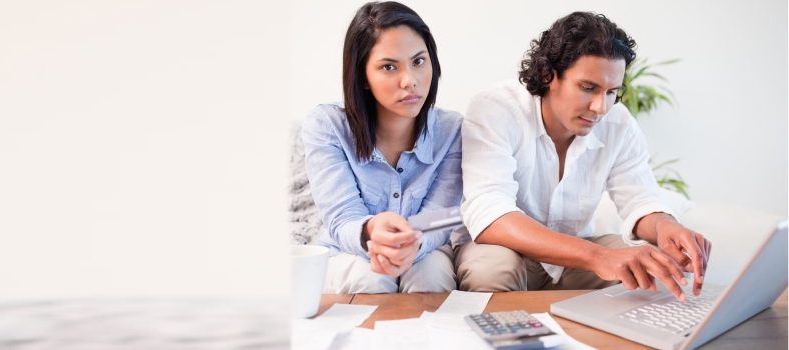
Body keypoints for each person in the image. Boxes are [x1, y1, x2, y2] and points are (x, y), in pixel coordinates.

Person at [454, 12, 712, 300]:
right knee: (491, 270)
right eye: (588, 88)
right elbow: (491, 215)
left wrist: (666, 225)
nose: (601, 107)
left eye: (612, 91)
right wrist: (597, 257)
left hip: (574, 259)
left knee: (657, 268)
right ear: (547, 74)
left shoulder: (619, 124)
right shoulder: (497, 109)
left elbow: (640, 198)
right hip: (506, 252)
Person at [302, 1, 463, 294]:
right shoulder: (326, 126)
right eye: (389, 67)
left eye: (418, 61)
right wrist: (373, 231)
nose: (410, 81)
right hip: (348, 251)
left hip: (425, 247)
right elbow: (343, 218)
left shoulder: (453, 130)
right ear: (363, 76)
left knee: (430, 276)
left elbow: (443, 214)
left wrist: (412, 240)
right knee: (370, 277)